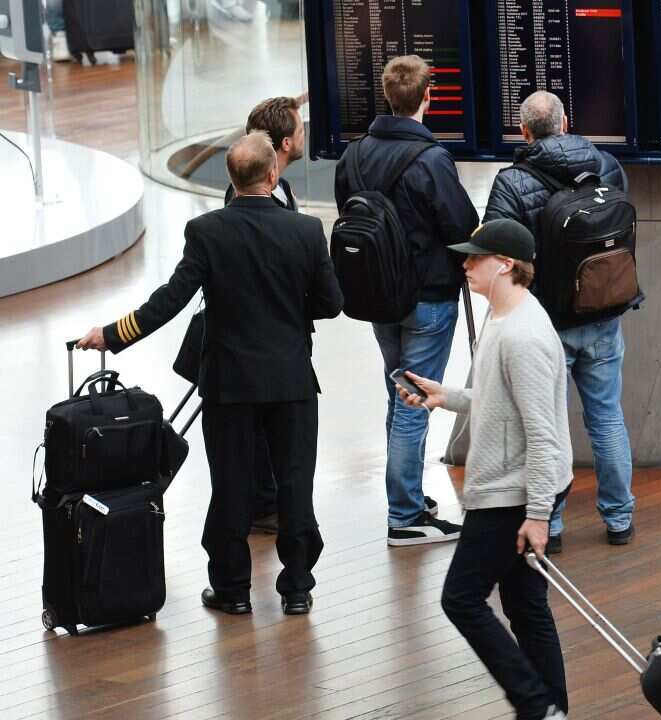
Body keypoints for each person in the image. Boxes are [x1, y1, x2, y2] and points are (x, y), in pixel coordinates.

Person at [76, 132, 344, 615]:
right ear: (272, 175)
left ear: (232, 178)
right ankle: (298, 587)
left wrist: (112, 334)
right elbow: (330, 305)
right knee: (294, 483)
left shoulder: (207, 232)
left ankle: (233, 589)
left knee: (232, 484)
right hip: (291, 382)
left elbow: (169, 301)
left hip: (229, 384)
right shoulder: (305, 232)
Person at [398, 219, 573, 720]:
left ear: (507, 264)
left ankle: (536, 705)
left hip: (511, 494)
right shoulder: (503, 320)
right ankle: (551, 711)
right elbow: (505, 405)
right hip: (517, 485)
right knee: (525, 606)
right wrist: (445, 397)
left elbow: (541, 434)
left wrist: (538, 514)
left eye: (476, 257)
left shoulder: (524, 336)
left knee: (462, 598)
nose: (465, 263)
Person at [482, 90, 636, 555]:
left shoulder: (511, 182)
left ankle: (551, 522)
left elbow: (497, 250)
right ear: (566, 123)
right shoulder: (607, 165)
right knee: (607, 417)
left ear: (524, 131)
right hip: (605, 311)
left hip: (547, 323)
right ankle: (619, 518)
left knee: (545, 424)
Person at [334, 55, 479, 546]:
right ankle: (404, 516)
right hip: (428, 299)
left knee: (398, 392)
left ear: (387, 94)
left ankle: (409, 495)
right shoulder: (431, 160)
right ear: (428, 96)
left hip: (377, 297)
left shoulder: (353, 156)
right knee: (417, 401)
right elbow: (461, 227)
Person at [221, 95, 306, 535]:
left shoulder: (271, 187)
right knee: (256, 427)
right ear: (287, 144)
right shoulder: (256, 200)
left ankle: (265, 497)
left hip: (262, 338)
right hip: (260, 340)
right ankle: (262, 502)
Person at [224, 96, 303, 211]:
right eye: (300, 132)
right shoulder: (246, 198)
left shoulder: (283, 187)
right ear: (286, 143)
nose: (304, 136)